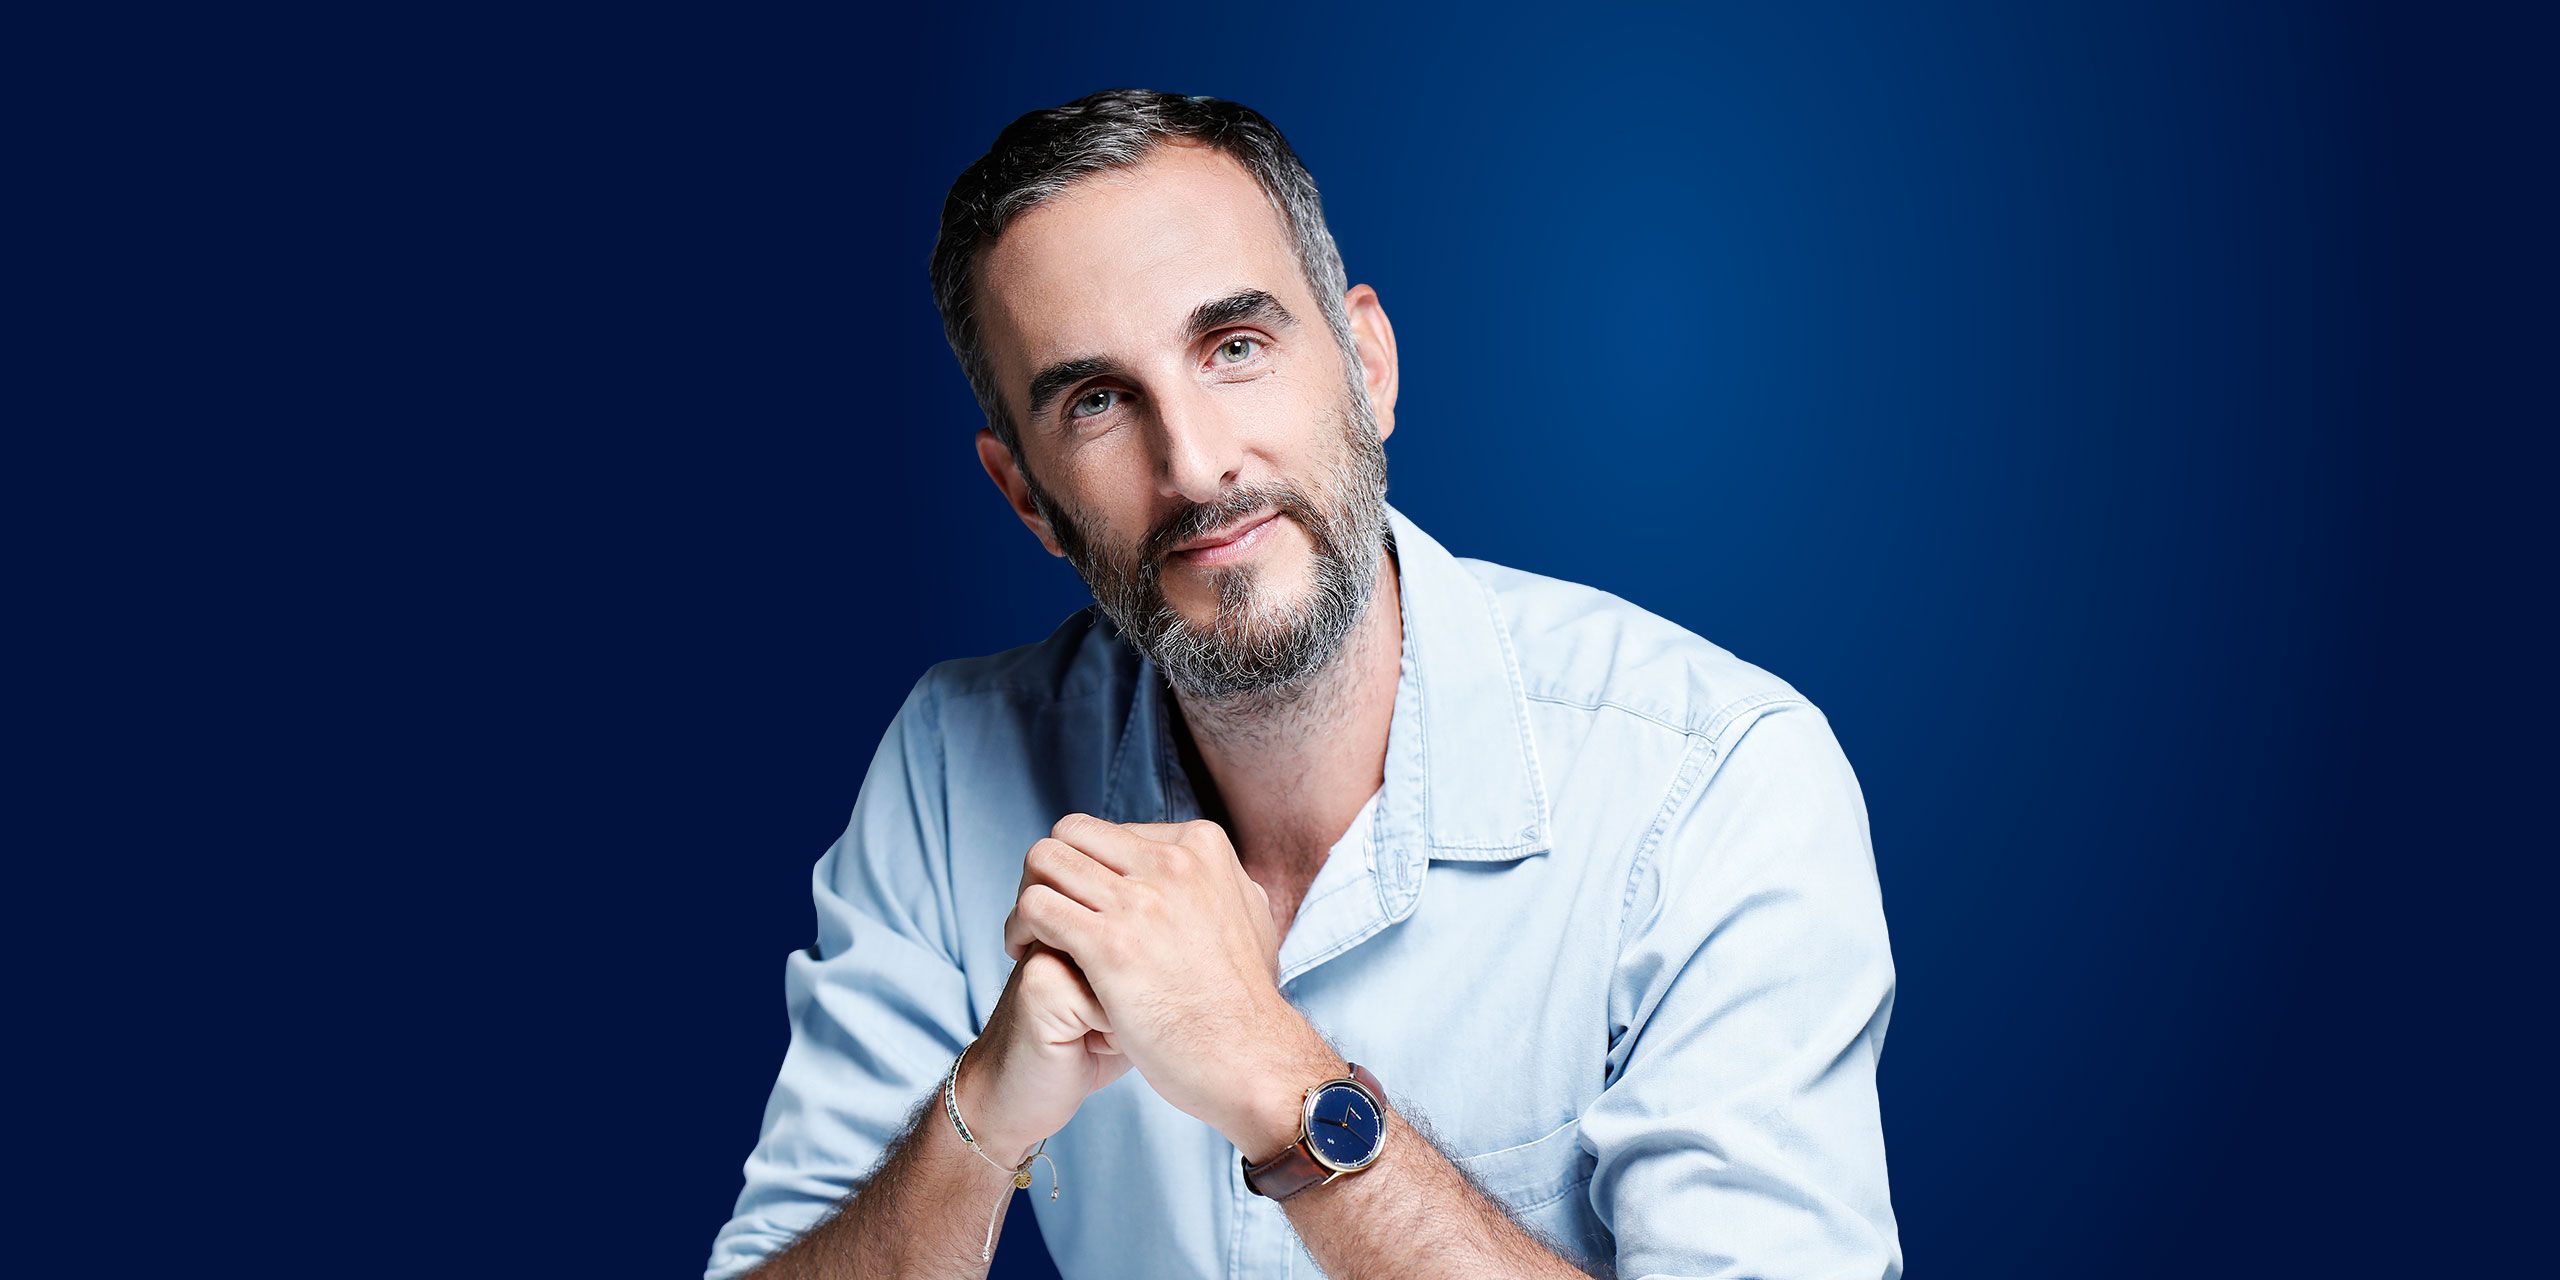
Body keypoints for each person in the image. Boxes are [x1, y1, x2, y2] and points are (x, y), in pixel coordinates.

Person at [704, 88, 1901, 1280]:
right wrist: (981, 1114)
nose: (1193, 465)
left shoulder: (1713, 784)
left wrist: (1275, 1076)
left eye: (1234, 346)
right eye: (1096, 402)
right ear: (1029, 499)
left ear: (1367, 364)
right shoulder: (948, 770)